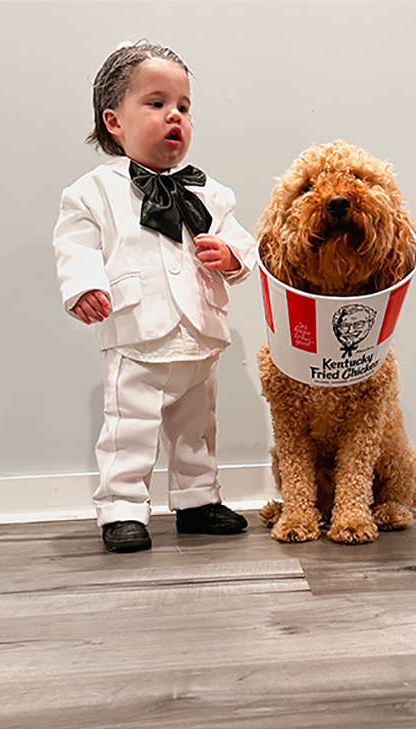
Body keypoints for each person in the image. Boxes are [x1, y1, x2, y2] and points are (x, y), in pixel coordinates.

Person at [54, 41, 255, 553]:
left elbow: (244, 244)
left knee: (197, 428)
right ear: (114, 121)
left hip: (199, 335)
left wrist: (231, 256)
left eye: (184, 106)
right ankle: (122, 508)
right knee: (129, 429)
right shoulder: (92, 192)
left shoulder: (211, 193)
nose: (175, 116)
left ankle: (198, 499)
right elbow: (75, 246)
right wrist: (84, 286)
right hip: (136, 333)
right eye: (157, 103)